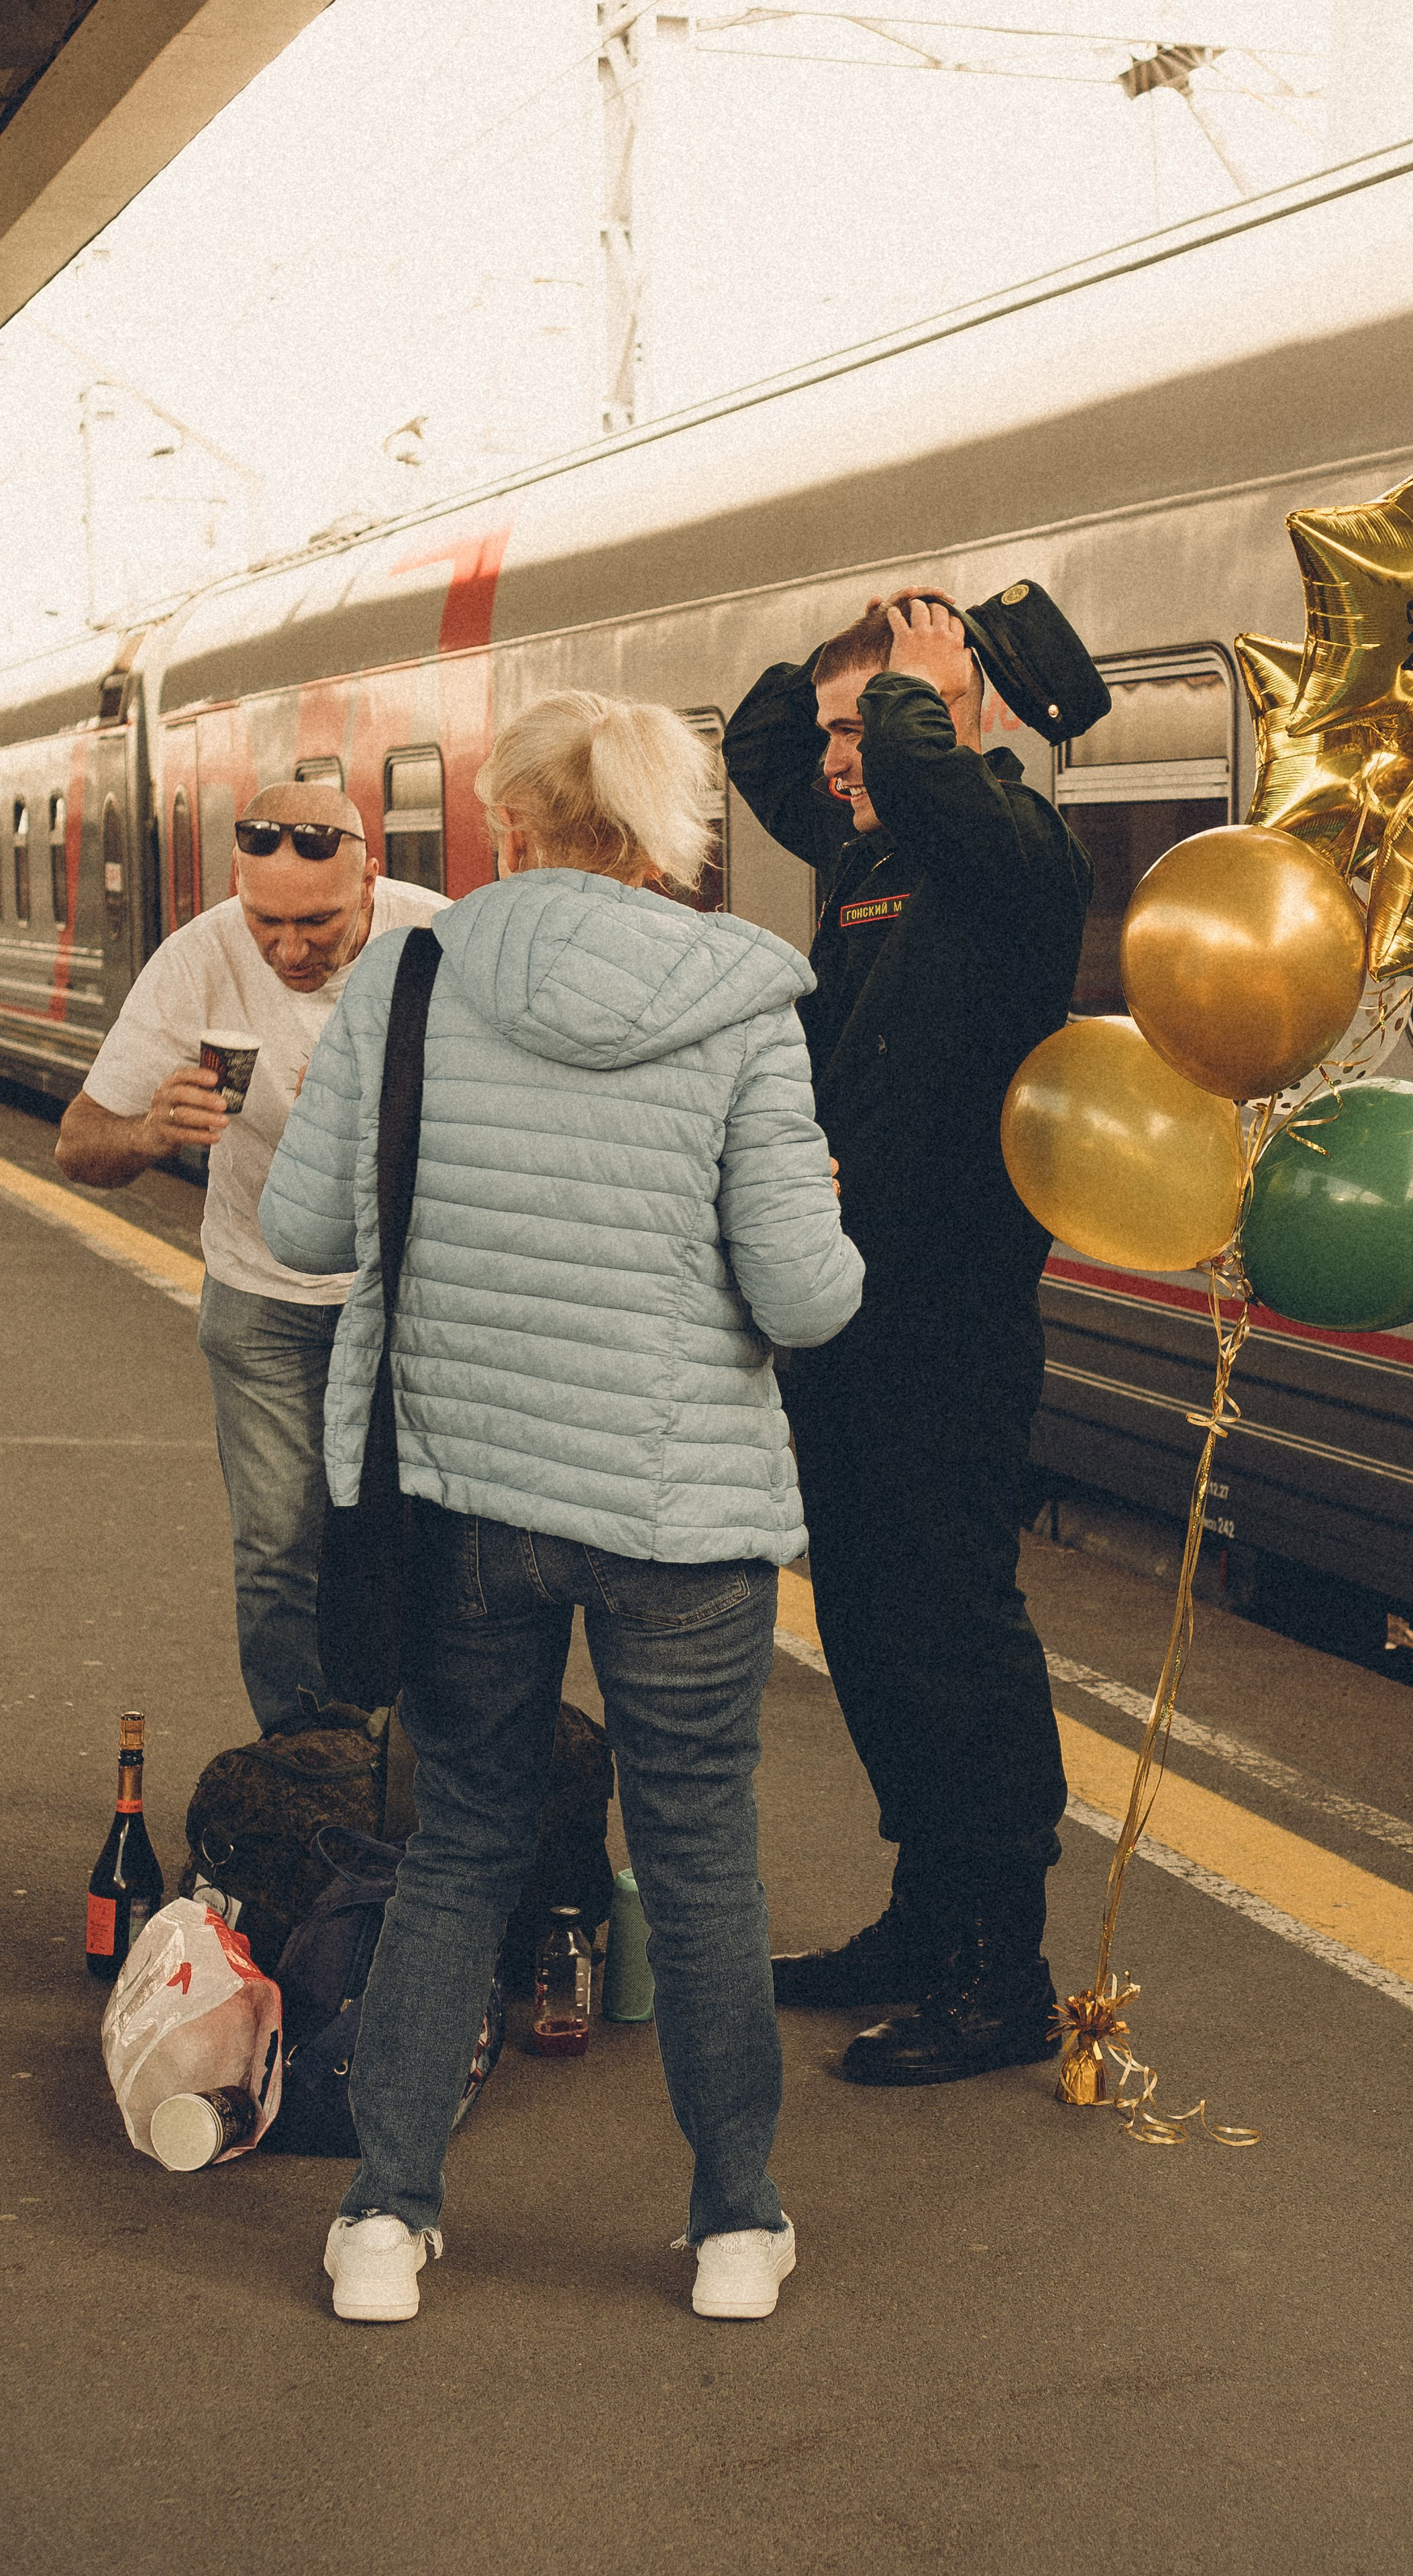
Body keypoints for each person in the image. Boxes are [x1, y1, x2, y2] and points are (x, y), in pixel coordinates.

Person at [259, 690, 862, 2326]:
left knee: (460, 1840)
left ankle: (383, 2220)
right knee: (702, 1856)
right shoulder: (748, 1002)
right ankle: (734, 2225)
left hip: (467, 1493)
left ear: (511, 823)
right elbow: (802, 1303)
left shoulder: (414, 972)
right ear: (670, 832)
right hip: (682, 1515)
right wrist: (826, 1219)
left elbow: (310, 1226)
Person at [723, 591, 1093, 2087]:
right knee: (871, 1632)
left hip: (947, 1322)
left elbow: (936, 789)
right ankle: (919, 1918)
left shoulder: (1005, 861)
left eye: (864, 728)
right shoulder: (869, 855)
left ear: (949, 721)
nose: (834, 759)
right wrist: (850, 664)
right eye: (837, 733)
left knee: (950, 1638)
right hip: (845, 1321)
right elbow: (754, 743)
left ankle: (1000, 1971)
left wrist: (919, 693)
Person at [55, 782, 449, 1736]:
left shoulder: (439, 944)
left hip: (411, 1296)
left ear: (372, 883)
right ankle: (302, 1766)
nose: (287, 949)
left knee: (427, 1543)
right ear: (237, 891)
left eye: (317, 921)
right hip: (264, 1294)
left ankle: (425, 1770)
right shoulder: (200, 953)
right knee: (279, 1544)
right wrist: (152, 1129)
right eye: (265, 919)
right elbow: (77, 1144)